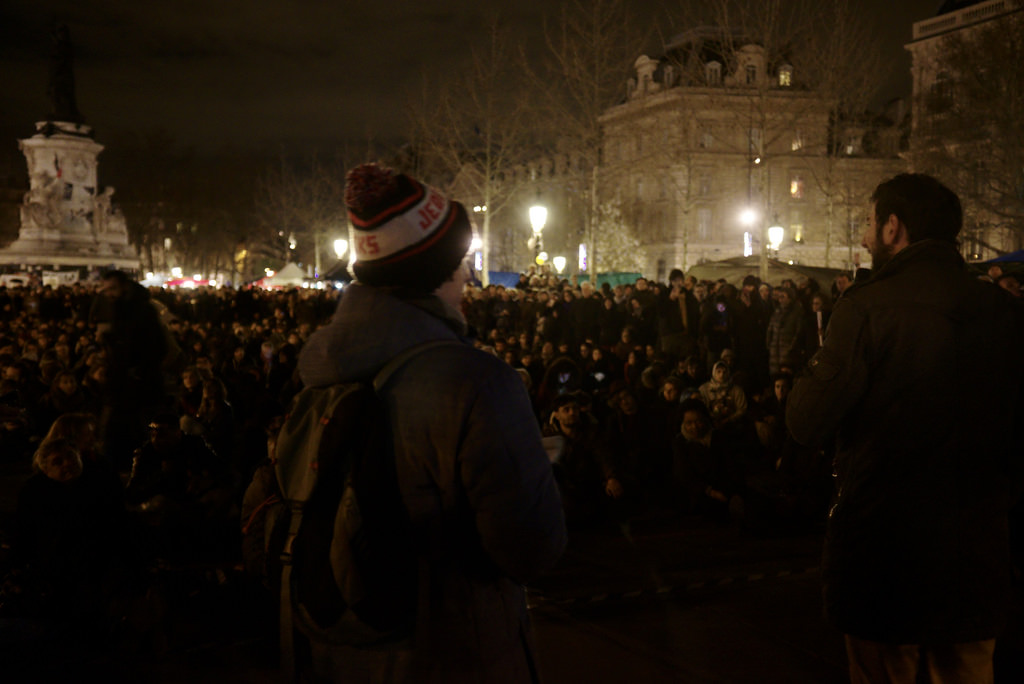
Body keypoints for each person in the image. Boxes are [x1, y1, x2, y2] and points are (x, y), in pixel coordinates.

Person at [295, 163, 566, 682]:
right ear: (436, 271)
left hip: (339, 652)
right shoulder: (480, 384)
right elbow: (532, 547)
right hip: (455, 649)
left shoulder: (318, 373)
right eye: (461, 262)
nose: (468, 276)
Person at [787, 173, 1024, 683]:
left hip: (884, 548)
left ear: (893, 227)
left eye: (868, 222)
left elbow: (807, 420)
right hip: (975, 547)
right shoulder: (1003, 310)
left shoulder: (866, 307)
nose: (864, 237)